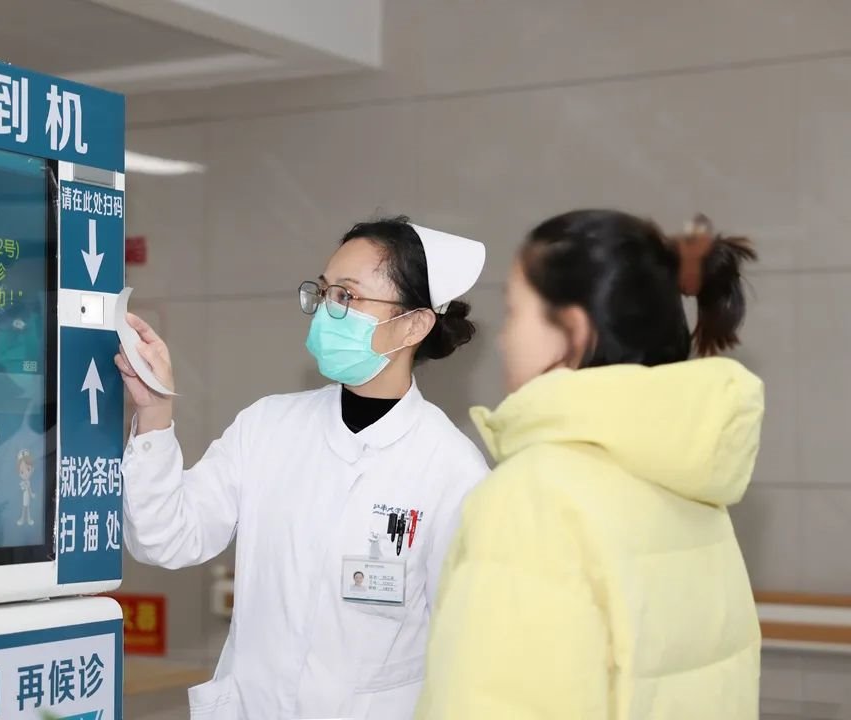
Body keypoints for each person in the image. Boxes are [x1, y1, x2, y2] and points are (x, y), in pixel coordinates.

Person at [116, 217, 490, 719]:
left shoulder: (452, 470)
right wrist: (155, 412)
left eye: (347, 296)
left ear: (413, 325)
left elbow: (469, 646)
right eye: (325, 291)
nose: (327, 310)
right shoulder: (268, 426)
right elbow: (164, 537)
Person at [417, 211, 764, 719]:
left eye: (515, 312)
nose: (504, 339)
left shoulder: (535, 496)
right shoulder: (692, 485)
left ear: (573, 331)